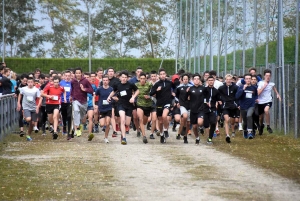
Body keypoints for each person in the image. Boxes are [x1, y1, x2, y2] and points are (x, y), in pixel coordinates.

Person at [107, 71, 139, 145]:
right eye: (123, 77)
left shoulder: (130, 84)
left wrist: (133, 97)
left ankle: (122, 133)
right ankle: (124, 138)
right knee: (123, 120)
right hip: (121, 104)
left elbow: (137, 90)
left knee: (127, 123)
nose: (124, 79)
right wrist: (109, 97)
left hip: (129, 105)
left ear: (127, 78)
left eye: (125, 77)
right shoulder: (117, 84)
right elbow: (113, 91)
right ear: (120, 77)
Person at [150, 68, 174, 144]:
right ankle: (161, 134)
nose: (163, 75)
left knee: (164, 116)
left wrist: (173, 94)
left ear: (166, 75)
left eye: (164, 74)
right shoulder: (157, 84)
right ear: (159, 76)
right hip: (159, 103)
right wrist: (156, 90)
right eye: (161, 74)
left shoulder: (169, 83)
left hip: (167, 102)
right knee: (160, 122)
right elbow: (151, 93)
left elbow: (176, 87)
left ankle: (166, 130)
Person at [70, 67, 94, 139]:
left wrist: (84, 89)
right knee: (76, 111)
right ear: (74, 74)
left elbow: (91, 90)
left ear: (81, 73)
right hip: (75, 100)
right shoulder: (73, 81)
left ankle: (79, 124)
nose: (78, 74)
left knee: (81, 117)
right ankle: (77, 128)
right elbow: (72, 89)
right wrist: (71, 96)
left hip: (84, 102)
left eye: (79, 73)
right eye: (76, 73)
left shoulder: (85, 81)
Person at [257, 69, 281, 135]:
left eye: (269, 75)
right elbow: (258, 93)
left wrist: (277, 94)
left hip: (268, 100)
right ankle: (261, 126)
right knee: (261, 117)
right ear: (264, 76)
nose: (268, 77)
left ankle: (268, 126)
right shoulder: (260, 83)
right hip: (260, 102)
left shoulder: (271, 84)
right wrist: (264, 87)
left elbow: (274, 89)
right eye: (267, 75)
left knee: (266, 110)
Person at [17, 77, 41, 141]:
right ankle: (24, 117)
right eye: (29, 82)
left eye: (31, 82)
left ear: (33, 83)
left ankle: (28, 135)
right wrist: (18, 103)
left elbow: (39, 98)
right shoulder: (23, 89)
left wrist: (38, 106)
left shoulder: (36, 90)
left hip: (33, 107)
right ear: (27, 83)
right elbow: (20, 95)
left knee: (32, 123)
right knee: (28, 119)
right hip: (26, 106)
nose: (30, 84)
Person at [236, 74, 258, 139]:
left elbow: (256, 95)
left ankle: (250, 132)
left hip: (251, 105)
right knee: (245, 121)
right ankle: (245, 130)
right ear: (244, 80)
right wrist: (243, 89)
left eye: (249, 78)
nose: (248, 80)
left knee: (249, 115)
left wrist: (255, 99)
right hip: (243, 106)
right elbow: (237, 96)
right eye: (247, 78)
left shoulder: (254, 88)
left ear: (251, 80)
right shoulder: (241, 87)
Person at [218, 74, 239, 143]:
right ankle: (227, 135)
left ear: (232, 80)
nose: (228, 81)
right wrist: (219, 100)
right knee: (227, 119)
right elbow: (217, 95)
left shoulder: (235, 87)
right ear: (225, 80)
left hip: (233, 106)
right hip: (225, 106)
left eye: (230, 79)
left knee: (232, 121)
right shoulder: (221, 88)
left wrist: (237, 104)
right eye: (227, 79)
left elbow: (238, 96)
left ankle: (232, 130)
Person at [187, 73, 205, 145]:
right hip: (193, 109)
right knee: (194, 126)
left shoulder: (203, 88)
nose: (196, 80)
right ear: (193, 80)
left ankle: (201, 127)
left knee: (200, 122)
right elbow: (187, 98)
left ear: (200, 80)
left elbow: (207, 96)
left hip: (201, 109)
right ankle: (197, 137)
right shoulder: (190, 89)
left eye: (198, 79)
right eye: (195, 79)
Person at [94, 76, 114, 143]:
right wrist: (94, 105)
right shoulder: (99, 89)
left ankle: (106, 137)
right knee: (102, 124)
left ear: (108, 81)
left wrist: (114, 99)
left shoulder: (111, 89)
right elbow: (94, 96)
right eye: (104, 80)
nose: (105, 82)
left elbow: (115, 96)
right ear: (102, 81)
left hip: (109, 108)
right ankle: (101, 126)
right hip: (101, 108)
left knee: (107, 123)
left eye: (106, 80)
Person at [175, 73, 193, 143]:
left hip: (190, 106)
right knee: (185, 116)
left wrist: (190, 94)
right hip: (182, 105)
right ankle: (184, 128)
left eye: (186, 79)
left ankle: (183, 136)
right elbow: (176, 96)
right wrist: (177, 102)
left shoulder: (191, 87)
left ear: (188, 80)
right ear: (182, 80)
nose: (185, 80)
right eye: (184, 79)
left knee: (187, 123)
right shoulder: (179, 87)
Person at [203, 76, 221, 144]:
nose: (211, 81)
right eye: (209, 80)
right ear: (207, 81)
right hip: (205, 108)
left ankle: (210, 138)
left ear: (214, 81)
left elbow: (218, 98)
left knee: (213, 122)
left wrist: (218, 102)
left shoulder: (216, 91)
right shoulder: (204, 89)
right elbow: (202, 98)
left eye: (212, 80)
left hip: (213, 108)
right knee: (206, 124)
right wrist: (206, 102)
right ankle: (206, 133)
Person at [135, 72, 153, 144]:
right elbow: (132, 92)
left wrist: (149, 96)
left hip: (148, 105)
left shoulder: (149, 84)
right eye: (141, 79)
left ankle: (140, 128)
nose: (142, 80)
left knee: (145, 122)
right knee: (141, 119)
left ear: (146, 79)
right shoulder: (136, 85)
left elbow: (153, 93)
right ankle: (144, 136)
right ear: (139, 79)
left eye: (144, 79)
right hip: (139, 104)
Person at [129, 67, 143, 137]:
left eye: (141, 71)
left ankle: (140, 127)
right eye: (138, 71)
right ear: (136, 72)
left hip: (142, 100)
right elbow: (129, 90)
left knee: (140, 116)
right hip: (134, 100)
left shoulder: (144, 80)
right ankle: (137, 129)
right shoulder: (132, 81)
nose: (139, 73)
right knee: (135, 116)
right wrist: (132, 97)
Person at [60, 70, 72, 136]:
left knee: (69, 116)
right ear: (64, 76)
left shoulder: (72, 83)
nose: (67, 77)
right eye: (66, 76)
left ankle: (69, 131)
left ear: (70, 76)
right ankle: (64, 126)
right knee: (64, 116)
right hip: (62, 102)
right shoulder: (61, 83)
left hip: (69, 102)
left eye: (68, 76)